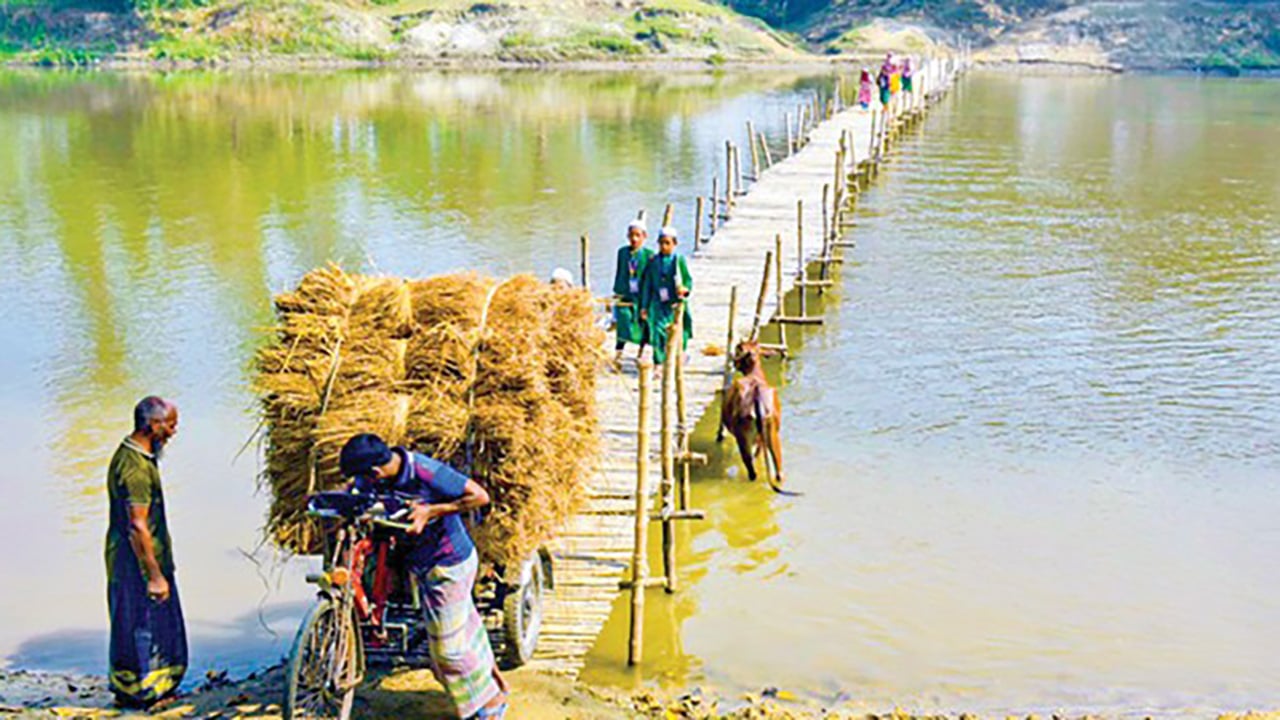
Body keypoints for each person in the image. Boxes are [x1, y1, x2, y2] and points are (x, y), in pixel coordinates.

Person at [339, 434, 508, 720]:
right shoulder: (373, 478)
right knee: (456, 632)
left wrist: (431, 510)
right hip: (421, 564)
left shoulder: (424, 470)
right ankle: (491, 684)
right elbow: (354, 492)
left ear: (375, 472)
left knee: (449, 651)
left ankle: (491, 702)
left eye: (363, 477)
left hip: (449, 563)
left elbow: (480, 496)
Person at [105, 396, 187, 708]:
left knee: (141, 624)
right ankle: (144, 694)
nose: (173, 431)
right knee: (143, 626)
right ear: (153, 425)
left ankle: (137, 690)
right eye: (170, 424)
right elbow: (137, 526)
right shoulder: (136, 470)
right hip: (137, 563)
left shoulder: (134, 454)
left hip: (139, 558)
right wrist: (154, 576)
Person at [638, 225, 692, 367]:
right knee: (657, 332)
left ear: (674, 244)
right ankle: (659, 362)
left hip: (674, 303)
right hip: (658, 303)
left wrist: (684, 290)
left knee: (678, 329)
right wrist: (644, 306)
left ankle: (680, 354)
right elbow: (647, 285)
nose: (664, 246)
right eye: (661, 243)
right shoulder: (653, 262)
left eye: (667, 243)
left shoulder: (678, 260)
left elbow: (687, 280)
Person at [611, 218, 653, 366]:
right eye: (631, 235)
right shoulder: (622, 253)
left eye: (638, 235)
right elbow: (620, 272)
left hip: (642, 296)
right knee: (623, 321)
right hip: (625, 294)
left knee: (643, 323)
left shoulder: (649, 255)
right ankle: (618, 353)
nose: (634, 239)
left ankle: (641, 351)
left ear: (644, 237)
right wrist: (617, 292)